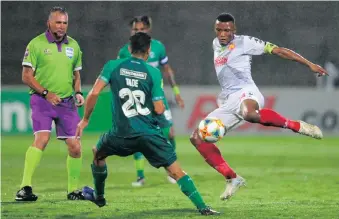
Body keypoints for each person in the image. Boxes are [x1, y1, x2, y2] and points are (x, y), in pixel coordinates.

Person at [189, 13, 328, 201]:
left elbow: (278, 50)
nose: (222, 34)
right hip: (229, 99)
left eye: (227, 30)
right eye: (219, 30)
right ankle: (232, 178)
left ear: (234, 30)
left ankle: (297, 126)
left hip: (247, 91)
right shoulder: (215, 44)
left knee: (250, 114)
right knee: (197, 137)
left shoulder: (245, 42)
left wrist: (309, 64)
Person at [76, 32, 219, 215]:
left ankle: (100, 197)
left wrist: (85, 120)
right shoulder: (152, 72)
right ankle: (203, 208)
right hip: (149, 134)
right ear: (149, 50)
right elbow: (159, 108)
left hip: (121, 134)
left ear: (129, 48)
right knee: (175, 171)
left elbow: (94, 93)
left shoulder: (112, 66)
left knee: (98, 154)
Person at [16, 6, 85, 201]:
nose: (62, 26)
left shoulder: (74, 46)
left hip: (67, 103)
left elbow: (76, 74)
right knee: (42, 139)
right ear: (49, 23)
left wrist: (78, 92)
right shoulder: (36, 44)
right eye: (58, 22)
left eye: (64, 22)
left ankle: (73, 191)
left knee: (75, 147)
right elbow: (26, 76)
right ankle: (24, 188)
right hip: (42, 101)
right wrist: (46, 93)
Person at [117, 15, 184, 186]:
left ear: (148, 30)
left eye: (141, 29)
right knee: (138, 137)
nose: (138, 32)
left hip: (158, 97)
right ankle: (140, 176)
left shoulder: (158, 47)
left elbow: (167, 70)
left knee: (169, 133)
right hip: (137, 100)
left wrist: (176, 91)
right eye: (135, 29)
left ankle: (171, 171)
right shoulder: (125, 51)